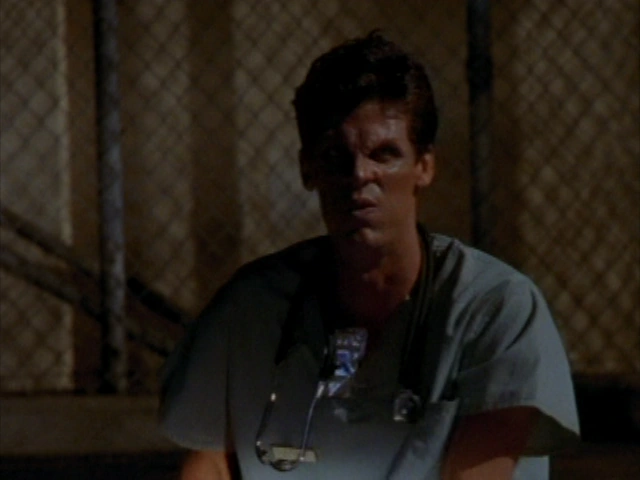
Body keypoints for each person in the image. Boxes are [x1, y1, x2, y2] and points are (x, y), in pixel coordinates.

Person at [159, 31, 580, 479]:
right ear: (307, 168)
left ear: (425, 166)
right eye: (336, 156)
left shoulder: (495, 309)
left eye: (385, 154)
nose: (360, 174)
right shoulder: (251, 310)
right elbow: (209, 463)